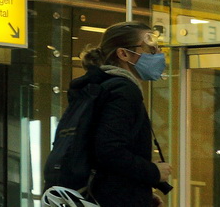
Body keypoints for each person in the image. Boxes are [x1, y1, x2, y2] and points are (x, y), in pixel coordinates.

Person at [65, 22, 173, 207]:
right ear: (123, 54)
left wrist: (142, 193)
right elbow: (110, 151)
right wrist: (153, 172)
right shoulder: (123, 90)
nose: (158, 55)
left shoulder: (98, 87)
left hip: (98, 195)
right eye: (149, 49)